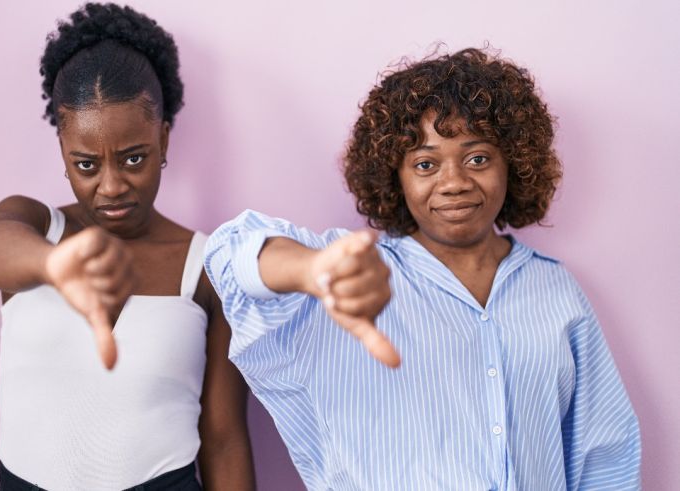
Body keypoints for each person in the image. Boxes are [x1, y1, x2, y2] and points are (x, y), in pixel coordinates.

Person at [205, 48, 640, 490]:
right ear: (395, 176)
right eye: (426, 164)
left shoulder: (556, 289)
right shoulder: (356, 272)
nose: (453, 183)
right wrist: (310, 269)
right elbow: (230, 255)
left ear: (514, 161)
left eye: (477, 158)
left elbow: (603, 454)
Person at [0, 4, 254, 490]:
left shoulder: (206, 266)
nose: (111, 186)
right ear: (63, 150)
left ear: (163, 140)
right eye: (86, 165)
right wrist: (54, 264)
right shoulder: (38, 228)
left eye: (133, 158)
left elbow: (223, 435)